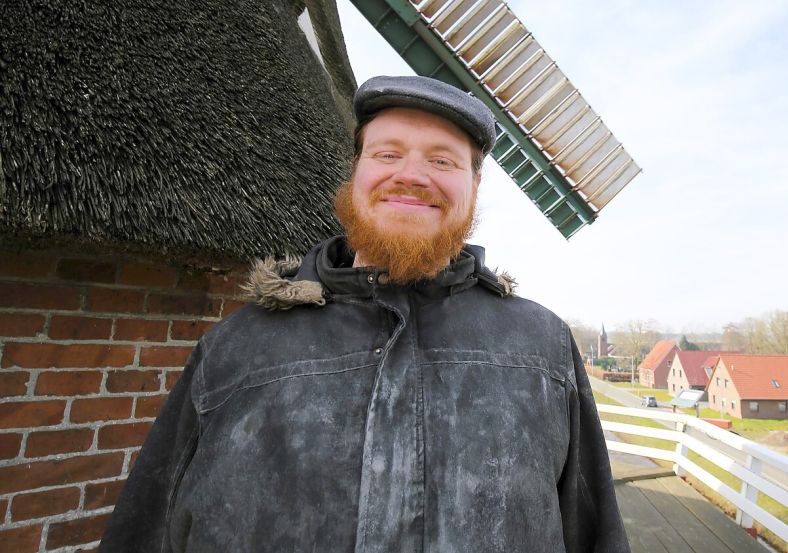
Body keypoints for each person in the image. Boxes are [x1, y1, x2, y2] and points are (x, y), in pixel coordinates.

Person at [99, 75, 629, 553]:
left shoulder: (544, 348)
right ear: (355, 172)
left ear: (475, 186)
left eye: (442, 160)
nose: (412, 176)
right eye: (387, 154)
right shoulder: (234, 348)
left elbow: (594, 532)